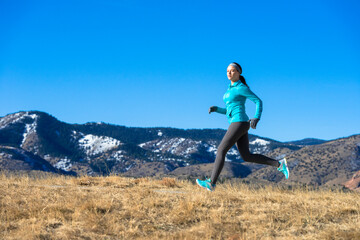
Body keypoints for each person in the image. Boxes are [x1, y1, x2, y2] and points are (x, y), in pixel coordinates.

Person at [196, 62, 289, 191]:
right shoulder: (230, 89)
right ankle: (279, 164)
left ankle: (211, 183)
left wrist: (257, 117)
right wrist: (216, 109)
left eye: (233, 70)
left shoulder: (241, 88)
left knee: (221, 150)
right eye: (227, 71)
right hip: (240, 122)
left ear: (239, 73)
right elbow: (229, 110)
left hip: (239, 123)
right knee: (246, 156)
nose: (229, 73)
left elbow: (258, 101)